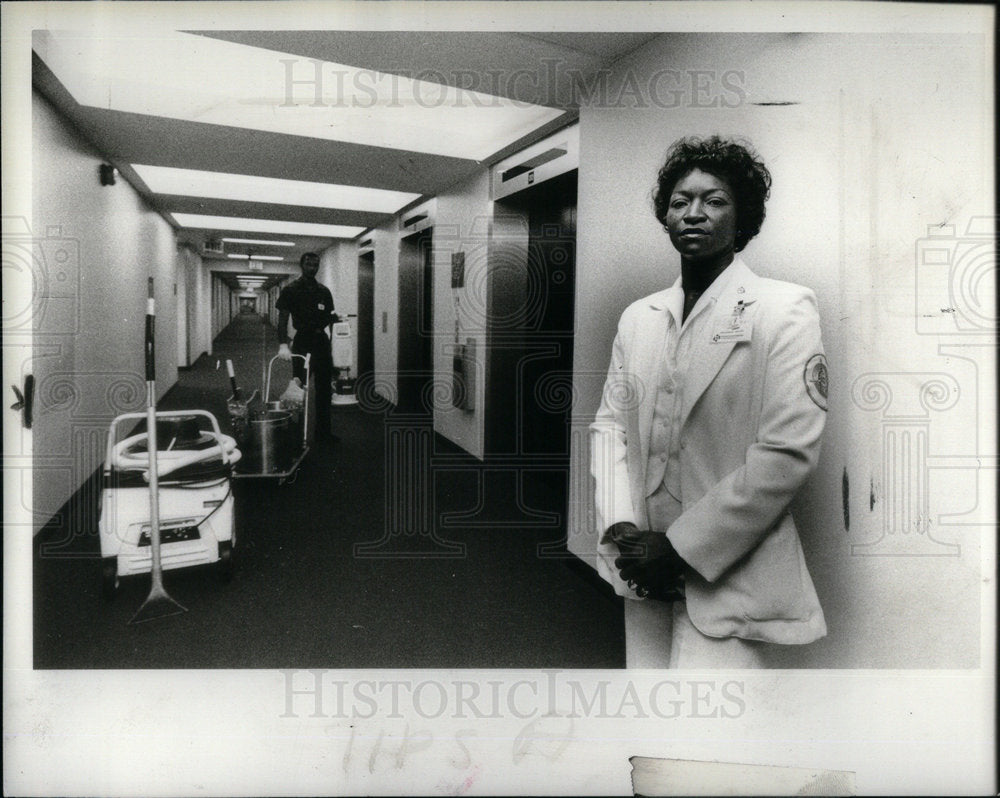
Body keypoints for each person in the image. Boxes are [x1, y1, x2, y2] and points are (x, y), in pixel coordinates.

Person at [590, 136, 829, 668]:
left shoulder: (783, 309)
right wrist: (623, 528)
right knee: (648, 720)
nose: (693, 214)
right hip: (642, 568)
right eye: (679, 202)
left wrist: (678, 548)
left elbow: (785, 455)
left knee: (714, 734)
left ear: (741, 216)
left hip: (727, 575)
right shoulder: (639, 317)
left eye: (714, 200)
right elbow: (610, 427)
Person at [276, 252, 338, 443]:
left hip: (321, 342)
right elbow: (283, 319)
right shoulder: (291, 289)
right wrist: (282, 344)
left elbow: (329, 317)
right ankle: (295, 432)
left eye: (316, 265)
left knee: (324, 390)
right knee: (298, 388)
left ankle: (323, 433)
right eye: (309, 264)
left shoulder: (324, 291)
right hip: (302, 342)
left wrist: (337, 324)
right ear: (302, 265)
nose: (313, 268)